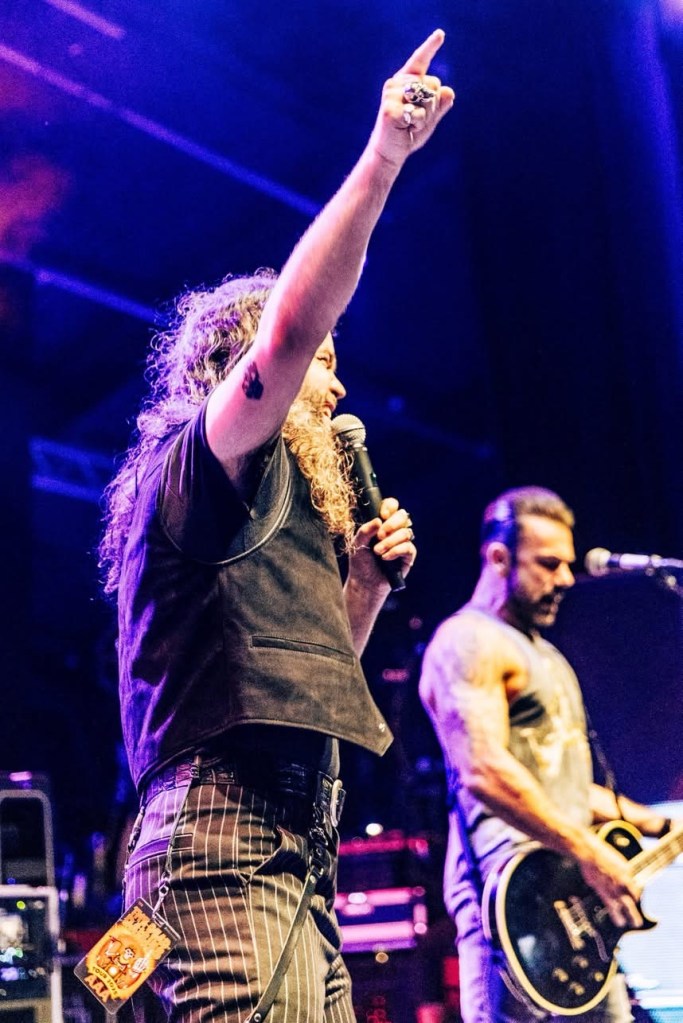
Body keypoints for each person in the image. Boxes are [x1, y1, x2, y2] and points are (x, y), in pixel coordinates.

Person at [98, 30, 454, 1023]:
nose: (332, 385)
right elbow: (290, 326)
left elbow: (298, 679)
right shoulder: (198, 460)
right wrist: (382, 155)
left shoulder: (262, 518)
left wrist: (362, 589)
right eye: (318, 362)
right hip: (223, 838)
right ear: (238, 363)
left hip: (286, 844)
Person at [419, 486, 677, 1023]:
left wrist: (655, 822)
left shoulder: (548, 656)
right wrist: (591, 852)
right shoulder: (469, 640)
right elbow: (483, 770)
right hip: (512, 902)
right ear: (498, 558)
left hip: (573, 892)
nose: (565, 579)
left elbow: (556, 777)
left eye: (566, 564)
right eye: (548, 564)